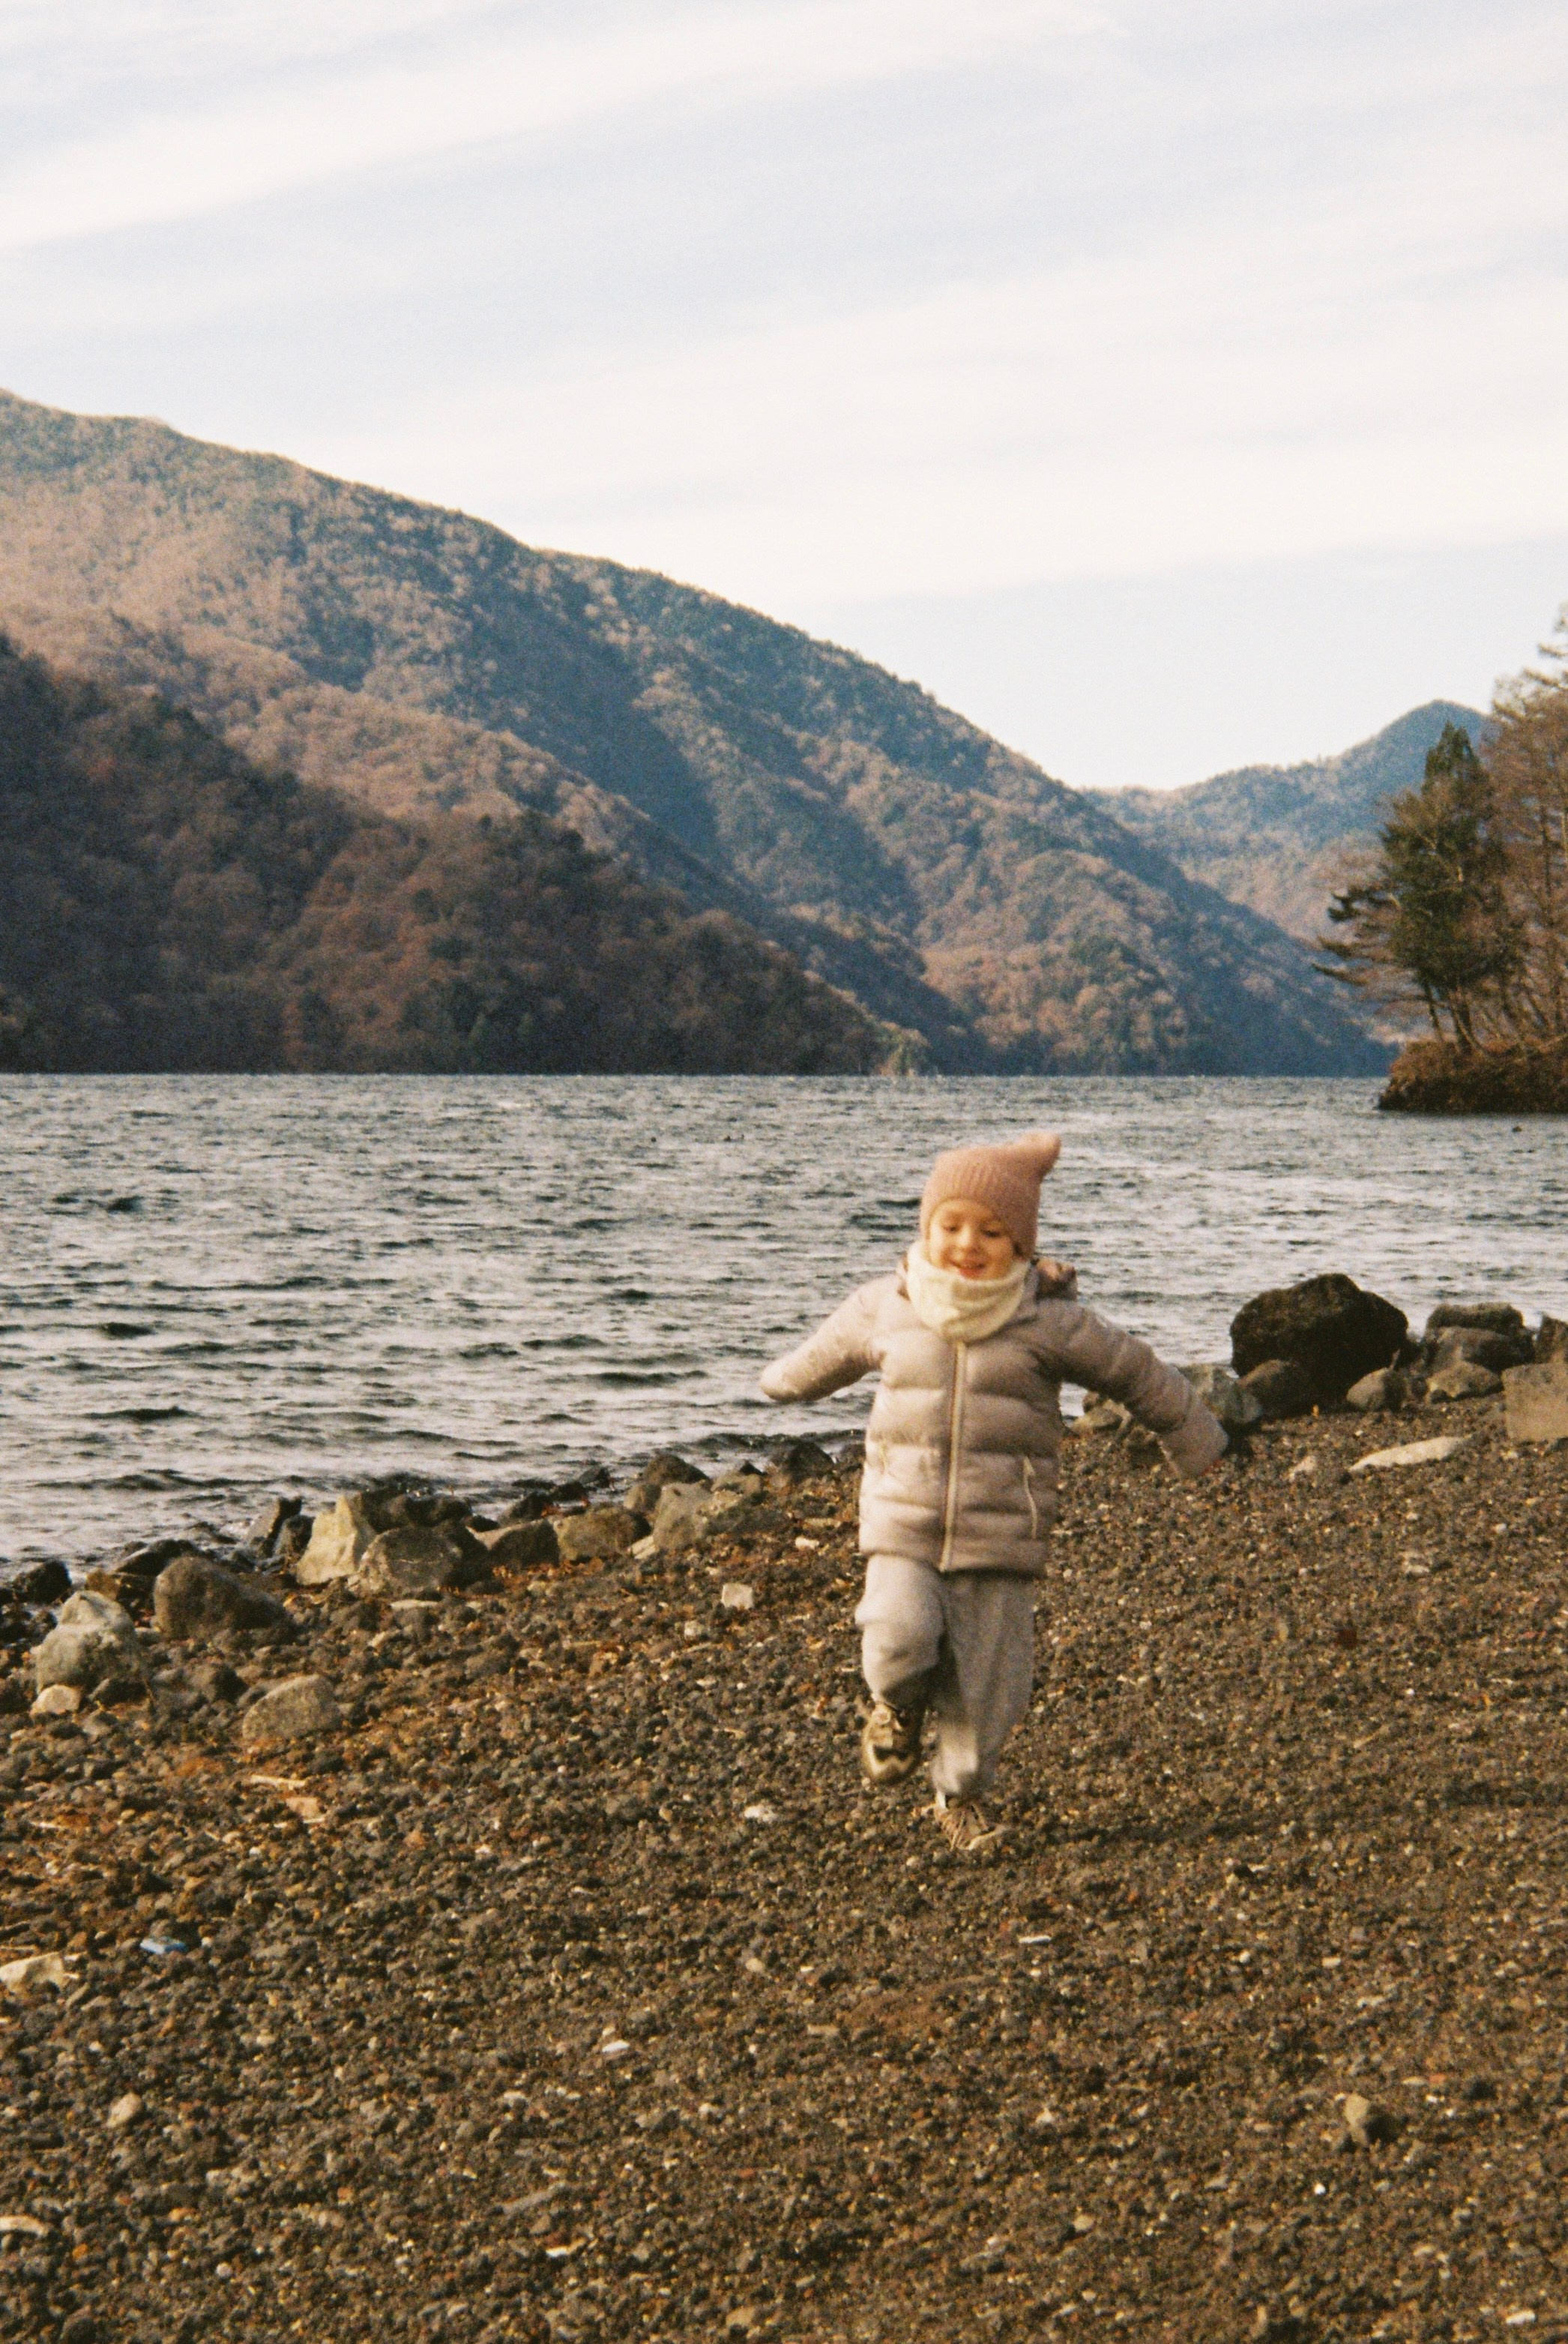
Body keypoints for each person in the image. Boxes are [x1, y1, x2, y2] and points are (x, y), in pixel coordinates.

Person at [759, 1132, 1226, 1857]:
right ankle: (893, 1706)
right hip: (902, 1518)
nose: (967, 1243)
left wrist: (1196, 1437)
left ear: (1022, 1243)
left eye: (991, 1230)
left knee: (988, 1688)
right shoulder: (892, 1301)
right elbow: (826, 1354)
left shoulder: (1048, 1320)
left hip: (1003, 1530)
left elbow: (1135, 1371)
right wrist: (778, 1381)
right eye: (951, 1225)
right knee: (895, 1631)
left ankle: (961, 1796)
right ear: (927, 1228)